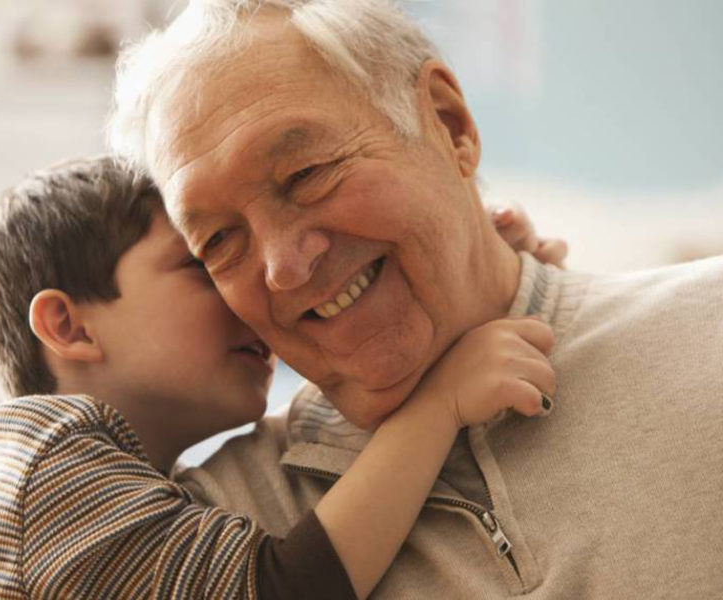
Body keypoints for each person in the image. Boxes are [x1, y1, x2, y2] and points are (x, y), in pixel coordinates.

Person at [107, 0, 723, 597]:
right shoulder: (205, 537)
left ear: (449, 124)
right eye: (218, 240)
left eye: (305, 174)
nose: (283, 268)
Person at [0, 157, 560, 599]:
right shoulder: (48, 477)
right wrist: (441, 401)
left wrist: (480, 285)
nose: (253, 288)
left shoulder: (108, 479)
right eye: (203, 263)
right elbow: (282, 587)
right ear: (68, 327)